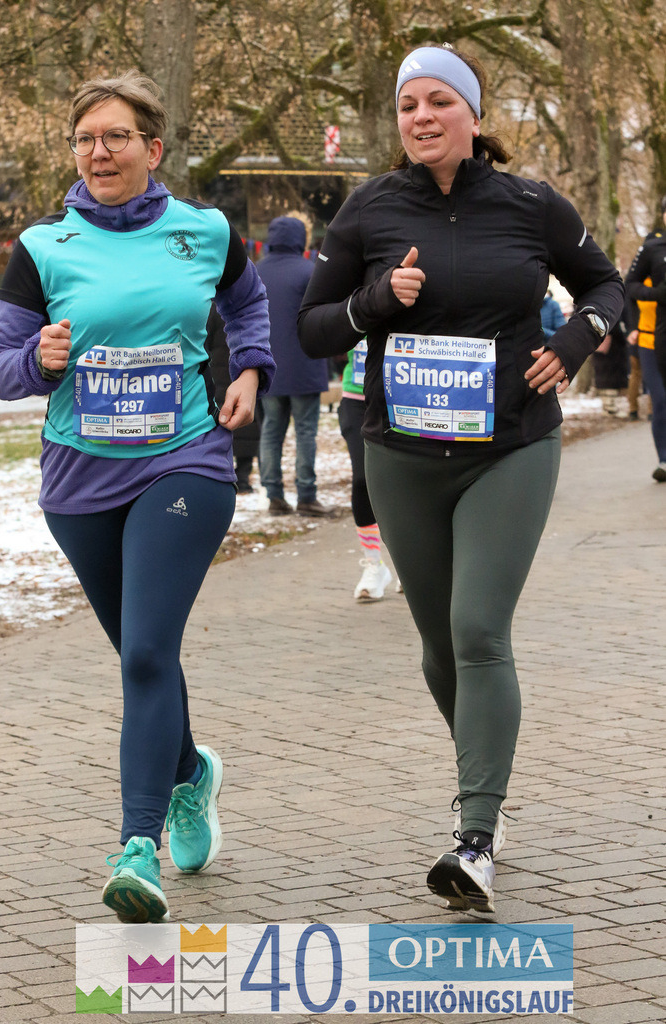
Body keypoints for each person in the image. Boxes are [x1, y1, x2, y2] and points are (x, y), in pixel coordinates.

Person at [298, 43, 623, 913]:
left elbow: (605, 286)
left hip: (509, 447)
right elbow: (312, 328)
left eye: (439, 101)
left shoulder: (531, 204)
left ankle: (473, 835)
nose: (422, 117)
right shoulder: (369, 209)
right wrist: (375, 303)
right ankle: (485, 779)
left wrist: (572, 341)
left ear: (473, 115)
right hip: (401, 456)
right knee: (440, 646)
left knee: (478, 628)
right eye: (408, 105)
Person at [0, 70, 275, 923]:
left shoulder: (204, 231)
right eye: (84, 139)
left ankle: (135, 846)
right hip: (79, 480)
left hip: (183, 462)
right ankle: (189, 773)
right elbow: (0, 369)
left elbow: (247, 304)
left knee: (147, 652)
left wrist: (250, 371)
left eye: (115, 137)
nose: (98, 152)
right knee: (139, 653)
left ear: (153, 147)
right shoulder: (44, 247)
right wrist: (38, 360)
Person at [257, 216, 333, 517]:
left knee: (271, 430)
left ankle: (274, 495)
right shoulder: (310, 271)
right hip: (305, 366)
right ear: (300, 239)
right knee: (305, 432)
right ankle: (306, 495)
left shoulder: (256, 271)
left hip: (267, 368)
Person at [339, 339, 395, 600]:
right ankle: (374, 563)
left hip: (401, 393)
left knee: (404, 482)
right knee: (362, 479)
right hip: (356, 396)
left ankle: (413, 563)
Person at [625, 205, 666, 480]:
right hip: (651, 339)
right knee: (660, 399)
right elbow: (629, 291)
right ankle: (664, 460)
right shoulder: (651, 255)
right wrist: (632, 328)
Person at [205, 303, 263, 492]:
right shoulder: (246, 308)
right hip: (244, 373)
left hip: (218, 375)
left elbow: (205, 342)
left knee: (224, 422)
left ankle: (226, 472)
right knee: (247, 424)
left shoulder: (212, 307)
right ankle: (244, 476)